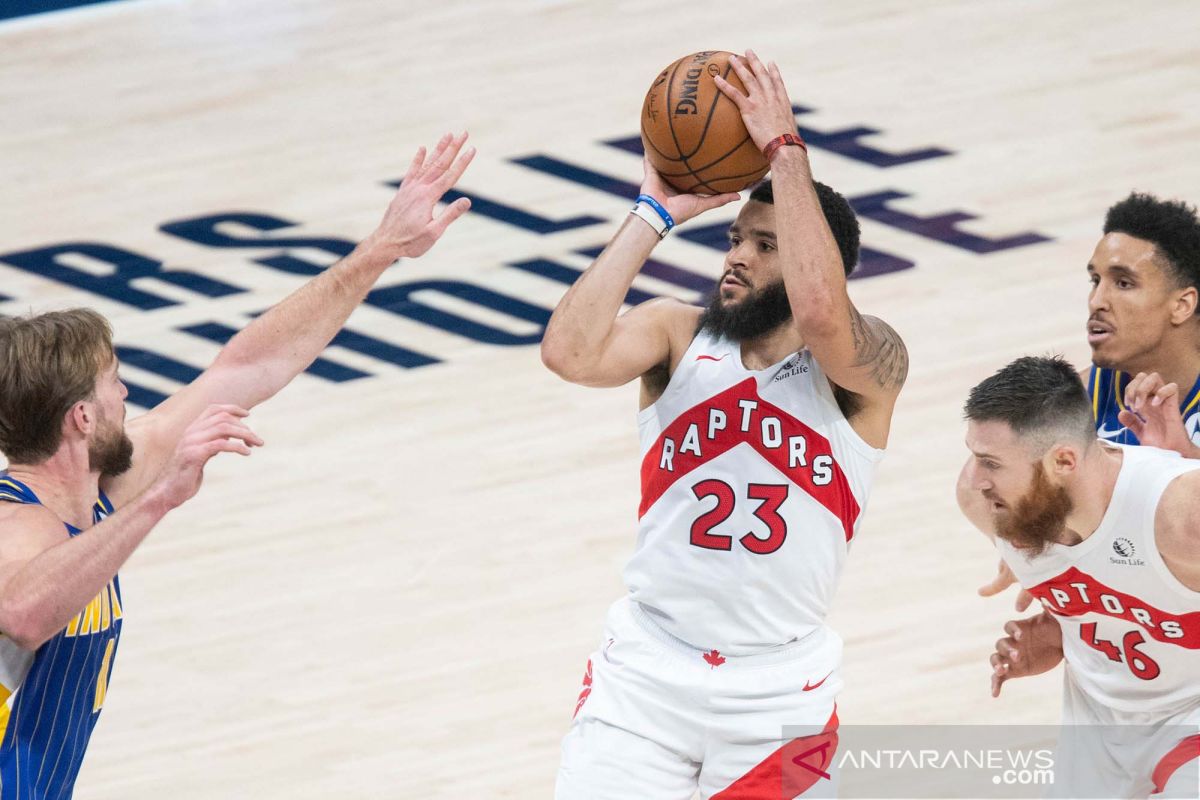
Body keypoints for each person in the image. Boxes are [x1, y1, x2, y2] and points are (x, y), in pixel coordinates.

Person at [0, 133, 473, 799]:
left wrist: (375, 255)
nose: (126, 395)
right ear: (80, 418)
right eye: (113, 384)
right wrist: (161, 498)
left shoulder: (97, 487)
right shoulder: (17, 522)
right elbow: (21, 612)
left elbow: (243, 367)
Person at [542, 51, 907, 799]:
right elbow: (568, 354)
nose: (736, 257)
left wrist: (784, 149)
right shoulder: (676, 334)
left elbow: (819, 312)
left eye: (765, 245)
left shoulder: (869, 369)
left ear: (817, 260)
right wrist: (654, 210)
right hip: (644, 676)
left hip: (778, 698)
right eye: (735, 238)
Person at [958, 355, 1200, 798]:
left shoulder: (1179, 515)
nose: (975, 480)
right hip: (1098, 734)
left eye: (991, 463)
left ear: (1064, 461)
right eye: (973, 456)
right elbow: (1109, 578)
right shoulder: (991, 508)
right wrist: (1063, 631)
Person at [977, 193, 1200, 608]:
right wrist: (1043, 560)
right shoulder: (1083, 396)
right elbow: (982, 482)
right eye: (1095, 280)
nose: (1098, 300)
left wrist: (1182, 458)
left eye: (1123, 282)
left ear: (1182, 304)